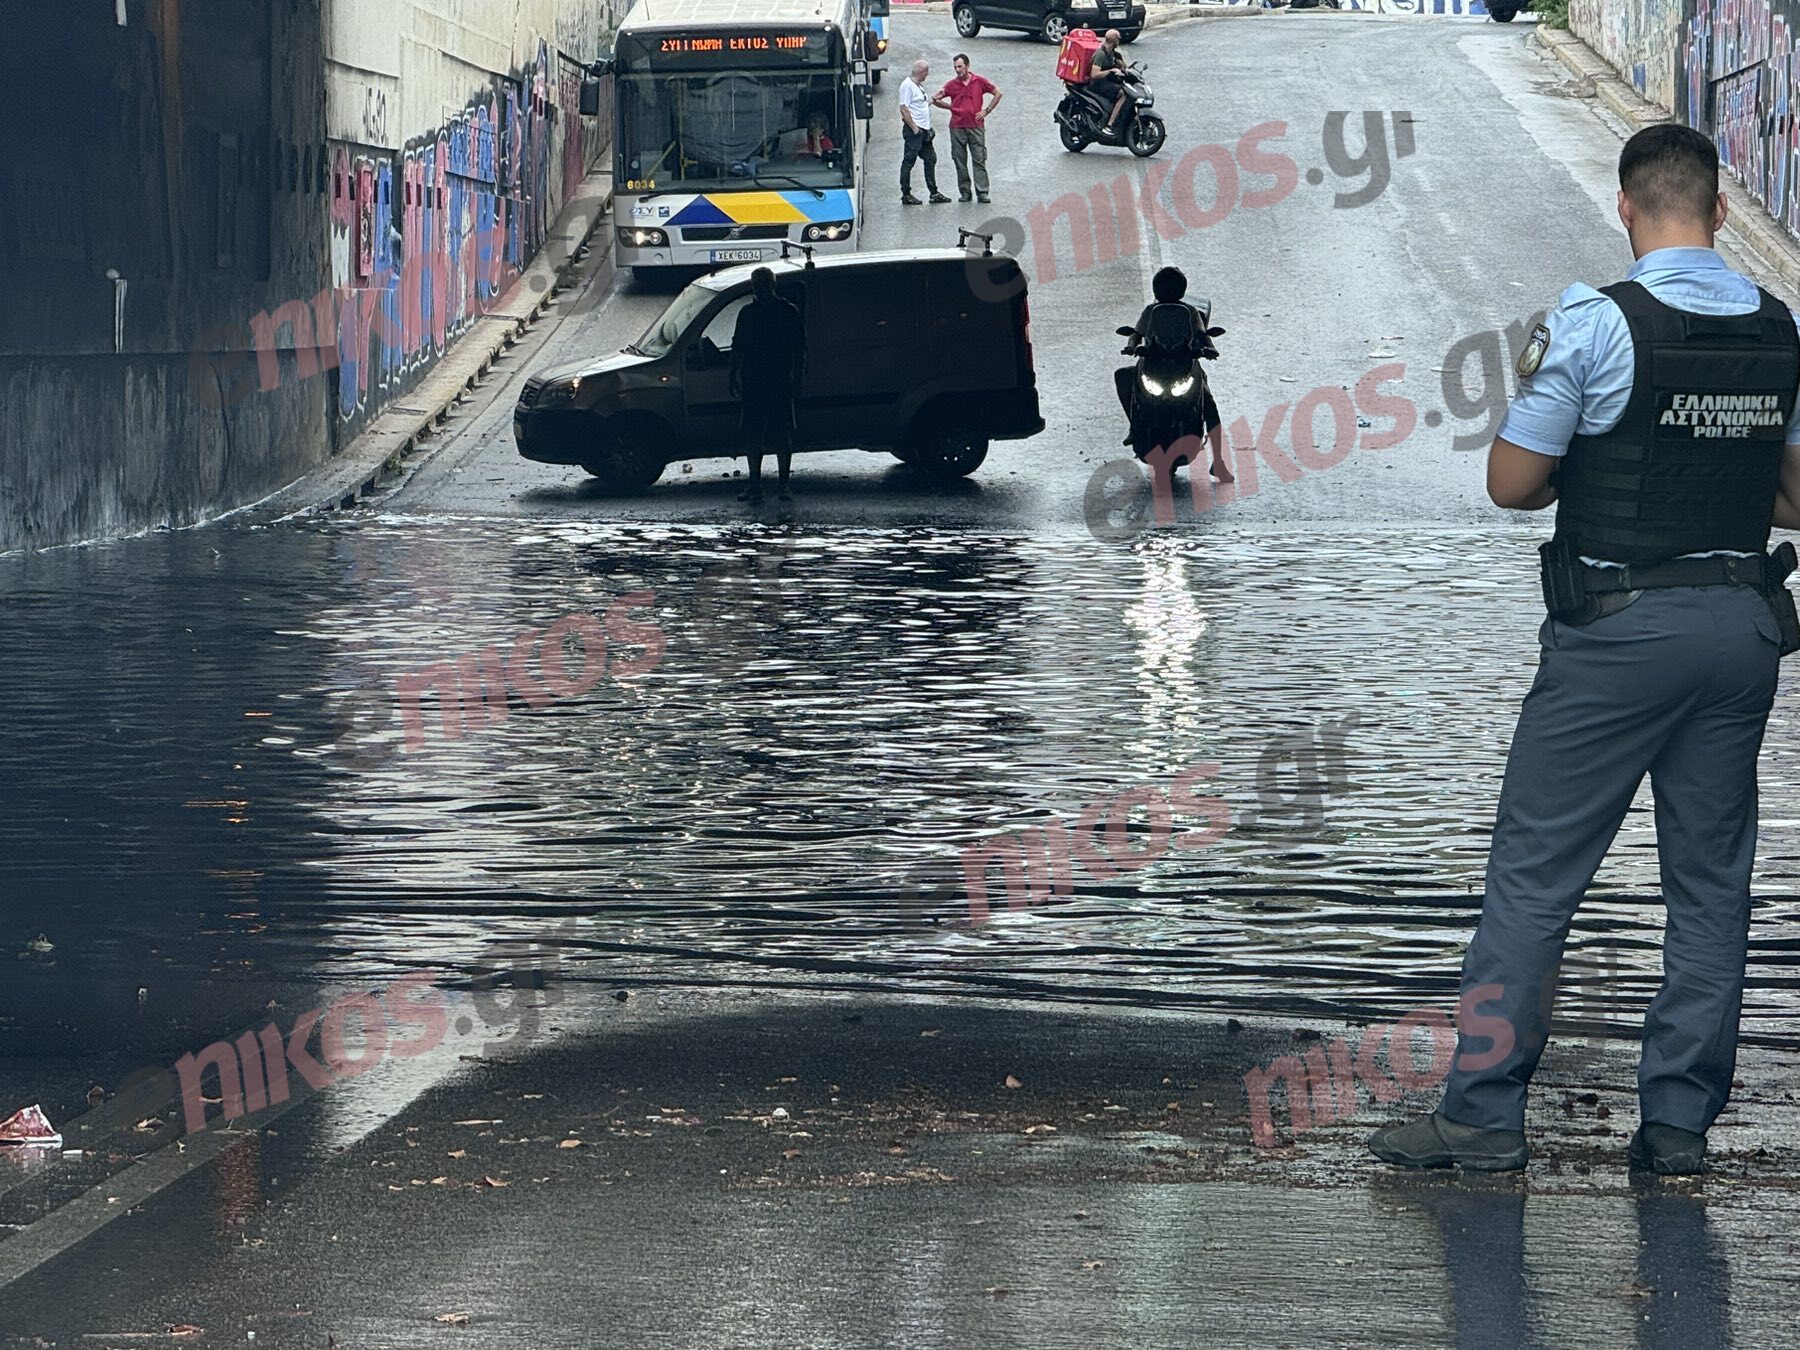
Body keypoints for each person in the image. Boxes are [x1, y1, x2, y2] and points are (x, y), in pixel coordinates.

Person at [1368, 124, 1800, 1176]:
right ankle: (1678, 1128)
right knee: (1711, 886)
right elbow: (1795, 498)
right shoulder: (1779, 328)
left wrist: (1600, 468)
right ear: (1721, 210)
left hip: (1616, 635)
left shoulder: (1595, 322)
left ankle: (1482, 1116)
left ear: (1625, 208)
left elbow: (1512, 483)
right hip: (1740, 630)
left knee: (1535, 881)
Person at [1114, 266, 1233, 482]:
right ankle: (1135, 426)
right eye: (1164, 287)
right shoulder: (1150, 312)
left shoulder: (1191, 312)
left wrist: (1210, 349)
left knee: (1208, 404)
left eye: (1171, 287)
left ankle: (1218, 461)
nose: (1167, 291)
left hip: (1184, 365)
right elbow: (1137, 333)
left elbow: (1202, 335)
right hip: (1153, 365)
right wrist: (1131, 347)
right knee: (1123, 376)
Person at [729, 268, 808, 503]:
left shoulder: (753, 313)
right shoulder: (785, 311)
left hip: (768, 381)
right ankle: (772, 485)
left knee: (768, 434)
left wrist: (733, 376)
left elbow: (738, 349)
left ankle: (767, 485)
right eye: (758, 284)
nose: (760, 288)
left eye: (762, 283)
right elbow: (799, 350)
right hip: (768, 381)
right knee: (768, 434)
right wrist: (797, 378)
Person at [932, 53, 1001, 204]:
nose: (957, 70)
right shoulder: (951, 85)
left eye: (960, 66)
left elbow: (997, 93)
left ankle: (982, 192)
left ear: (967, 66)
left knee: (979, 159)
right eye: (955, 67)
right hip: (957, 127)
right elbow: (936, 99)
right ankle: (965, 192)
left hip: (976, 126)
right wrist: (950, 107)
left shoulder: (979, 81)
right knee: (959, 161)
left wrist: (986, 111)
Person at [898, 59, 951, 205]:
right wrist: (914, 128)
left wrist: (933, 98)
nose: (927, 76)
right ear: (922, 72)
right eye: (926, 73)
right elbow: (904, 109)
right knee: (909, 161)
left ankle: (934, 192)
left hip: (924, 131)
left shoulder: (918, 86)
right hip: (915, 131)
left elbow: (921, 105)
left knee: (930, 159)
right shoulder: (907, 86)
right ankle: (906, 194)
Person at [1088, 30, 1135, 138]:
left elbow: (1123, 66)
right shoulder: (1101, 54)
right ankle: (1109, 125)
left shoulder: (1113, 53)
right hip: (1098, 84)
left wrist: (1122, 67)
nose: (1119, 41)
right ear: (1114, 40)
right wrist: (1110, 71)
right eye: (1118, 39)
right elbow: (1094, 74)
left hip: (1107, 81)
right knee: (1123, 94)